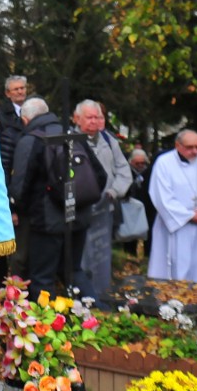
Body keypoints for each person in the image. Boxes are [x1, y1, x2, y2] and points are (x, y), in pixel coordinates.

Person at [9, 97, 95, 299]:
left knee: (42, 278)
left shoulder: (30, 140)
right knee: (73, 271)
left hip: (47, 221)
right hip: (78, 217)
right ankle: (95, 315)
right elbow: (99, 175)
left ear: (26, 119)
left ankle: (45, 326)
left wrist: (20, 210)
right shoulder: (73, 135)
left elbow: (20, 186)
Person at [147, 129, 197, 284]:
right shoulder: (164, 163)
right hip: (175, 225)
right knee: (177, 263)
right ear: (178, 145)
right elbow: (161, 195)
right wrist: (188, 215)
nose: (195, 151)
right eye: (190, 147)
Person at [75, 100, 132, 297]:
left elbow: (124, 171)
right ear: (77, 119)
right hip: (79, 210)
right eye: (89, 117)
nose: (94, 122)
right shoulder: (69, 139)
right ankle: (81, 296)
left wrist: (114, 192)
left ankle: (102, 295)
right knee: (80, 255)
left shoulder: (109, 141)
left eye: (97, 117)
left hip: (104, 208)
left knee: (101, 255)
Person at [0, 76, 28, 288]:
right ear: (7, 93)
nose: (20, 92)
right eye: (15, 89)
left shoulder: (34, 110)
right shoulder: (0, 116)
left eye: (22, 88)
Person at [122, 149, 151, 256]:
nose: (140, 165)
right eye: (137, 163)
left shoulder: (149, 172)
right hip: (130, 205)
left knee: (149, 231)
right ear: (131, 162)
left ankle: (148, 254)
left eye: (142, 163)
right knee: (130, 231)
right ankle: (130, 253)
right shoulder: (126, 171)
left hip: (147, 205)